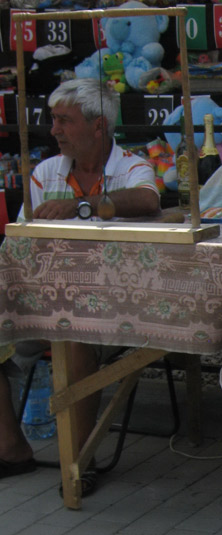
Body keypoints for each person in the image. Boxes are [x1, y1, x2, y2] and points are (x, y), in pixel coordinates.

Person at [0, 78, 160, 493]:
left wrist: (79, 206)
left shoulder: (131, 166)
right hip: (45, 297)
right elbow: (21, 237)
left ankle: (80, 461)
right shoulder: (46, 172)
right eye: (54, 120)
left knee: (71, 332)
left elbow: (147, 201)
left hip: (115, 304)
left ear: (98, 127)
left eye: (64, 121)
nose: (53, 130)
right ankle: (12, 449)